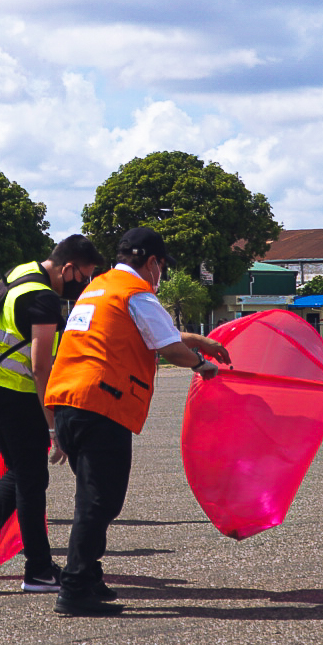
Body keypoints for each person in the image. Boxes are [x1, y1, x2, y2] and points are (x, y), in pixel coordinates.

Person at [42, 227, 230, 617]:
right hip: (102, 404)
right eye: (162, 266)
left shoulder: (98, 289)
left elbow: (143, 331)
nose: (161, 275)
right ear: (152, 262)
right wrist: (201, 364)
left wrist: (195, 340)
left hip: (68, 403)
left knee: (93, 497)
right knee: (100, 501)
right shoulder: (136, 293)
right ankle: (75, 587)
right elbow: (168, 347)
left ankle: (89, 575)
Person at [0, 236, 105, 595]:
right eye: (84, 275)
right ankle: (37, 569)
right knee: (33, 481)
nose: (84, 284)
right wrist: (54, 425)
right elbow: (40, 367)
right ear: (68, 268)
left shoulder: (21, 273)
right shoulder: (43, 298)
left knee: (22, 473)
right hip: (18, 397)